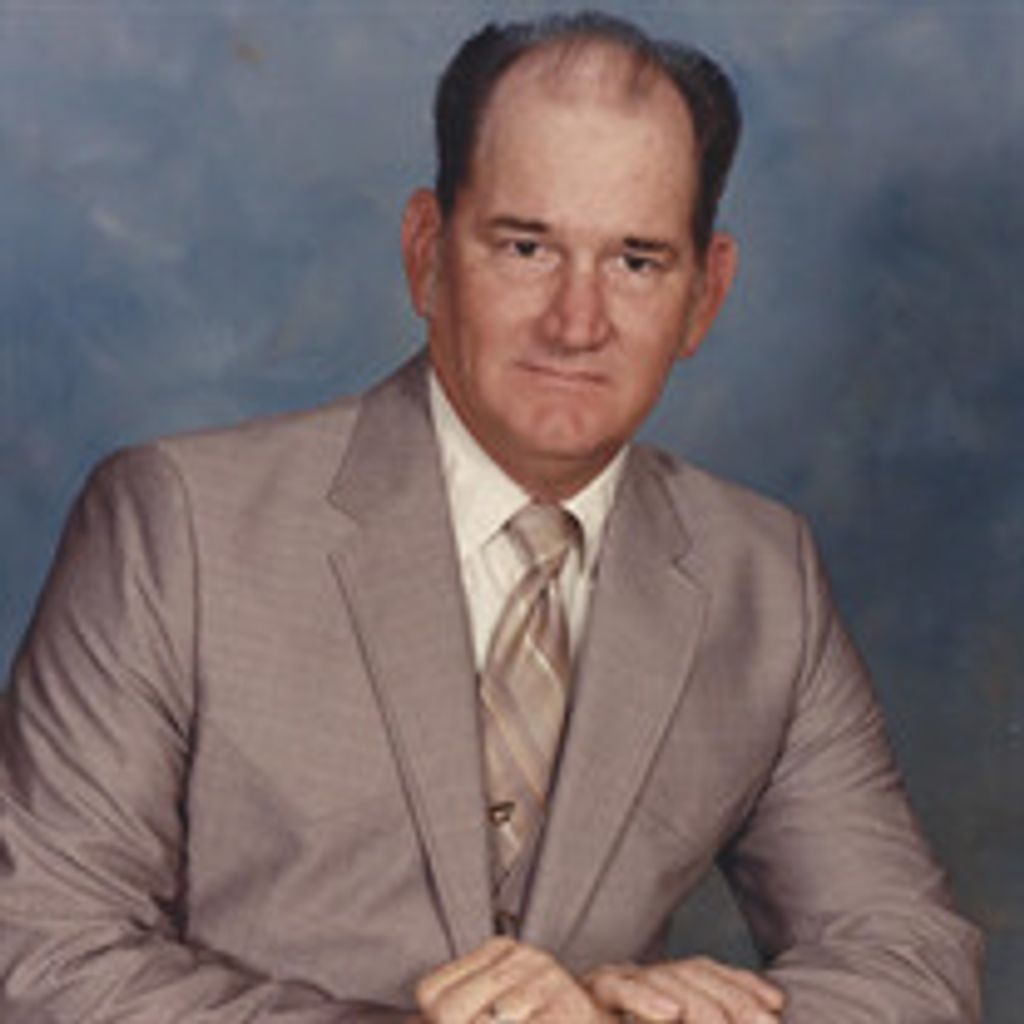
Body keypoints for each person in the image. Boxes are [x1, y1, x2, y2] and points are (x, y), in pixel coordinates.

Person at [0, 11, 982, 1023]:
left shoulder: (762, 577)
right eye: (526, 246)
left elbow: (909, 961)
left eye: (636, 261)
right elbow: (38, 949)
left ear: (705, 294)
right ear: (427, 253)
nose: (576, 321)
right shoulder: (178, 527)